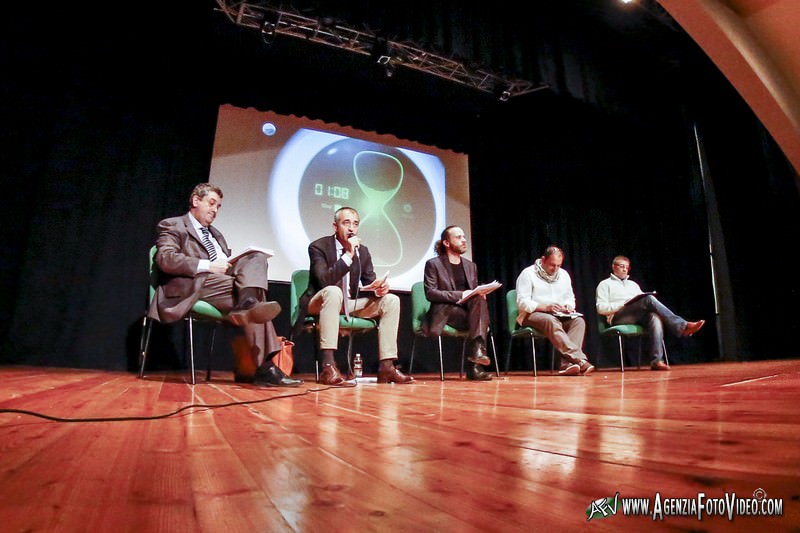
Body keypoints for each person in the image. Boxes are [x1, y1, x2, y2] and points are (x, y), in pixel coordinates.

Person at [147, 183, 302, 387]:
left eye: (219, 206)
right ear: (195, 201)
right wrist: (207, 265)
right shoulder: (173, 225)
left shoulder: (216, 234)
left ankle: (247, 304)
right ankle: (265, 366)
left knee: (256, 257)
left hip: (220, 283)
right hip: (193, 283)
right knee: (254, 298)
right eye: (211, 203)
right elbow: (166, 259)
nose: (215, 210)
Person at [295, 206, 414, 385]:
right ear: (335, 226)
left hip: (348, 303)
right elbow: (324, 281)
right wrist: (348, 255)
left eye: (355, 224)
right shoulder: (318, 247)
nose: (351, 228)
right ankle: (328, 366)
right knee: (334, 292)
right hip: (319, 301)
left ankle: (387, 367)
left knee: (391, 300)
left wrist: (377, 289)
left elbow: (368, 282)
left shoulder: (363, 251)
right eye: (346, 223)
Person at [595, 255, 705, 370]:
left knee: (654, 316)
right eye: (622, 266)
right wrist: (623, 304)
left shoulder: (633, 285)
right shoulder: (604, 284)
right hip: (618, 317)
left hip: (636, 316)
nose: (624, 269)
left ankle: (656, 361)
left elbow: (643, 303)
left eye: (627, 267)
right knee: (648, 299)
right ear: (614, 267)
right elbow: (600, 308)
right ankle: (682, 326)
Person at [423, 226, 493, 381]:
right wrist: (461, 294)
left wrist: (478, 293)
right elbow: (431, 293)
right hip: (446, 311)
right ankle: (475, 363)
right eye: (459, 237)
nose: (464, 240)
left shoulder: (470, 266)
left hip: (466, 313)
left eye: (464, 236)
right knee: (478, 308)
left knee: (479, 299)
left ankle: (476, 353)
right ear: (447, 243)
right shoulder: (433, 264)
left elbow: (473, 293)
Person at [515, 245, 596, 376]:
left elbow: (570, 297)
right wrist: (545, 307)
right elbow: (522, 302)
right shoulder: (528, 274)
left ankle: (568, 364)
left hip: (559, 315)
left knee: (579, 322)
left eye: (559, 265)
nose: (555, 269)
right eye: (552, 265)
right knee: (550, 320)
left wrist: (568, 307)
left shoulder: (563, 275)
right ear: (543, 260)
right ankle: (580, 359)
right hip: (532, 314)